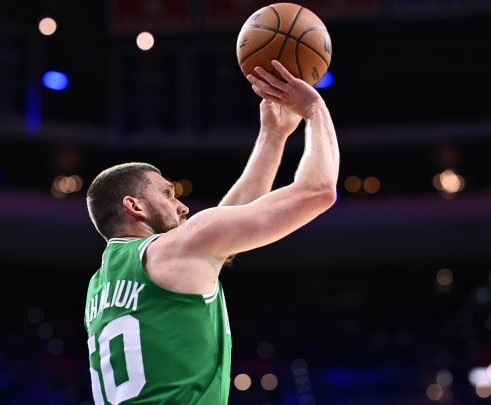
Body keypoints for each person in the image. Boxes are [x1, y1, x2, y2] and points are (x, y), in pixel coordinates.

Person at [83, 60, 340, 404]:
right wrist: (314, 108)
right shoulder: (173, 252)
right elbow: (318, 191)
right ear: (135, 206)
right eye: (167, 194)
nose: (182, 206)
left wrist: (273, 136)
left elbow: (223, 226)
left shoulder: (99, 285)